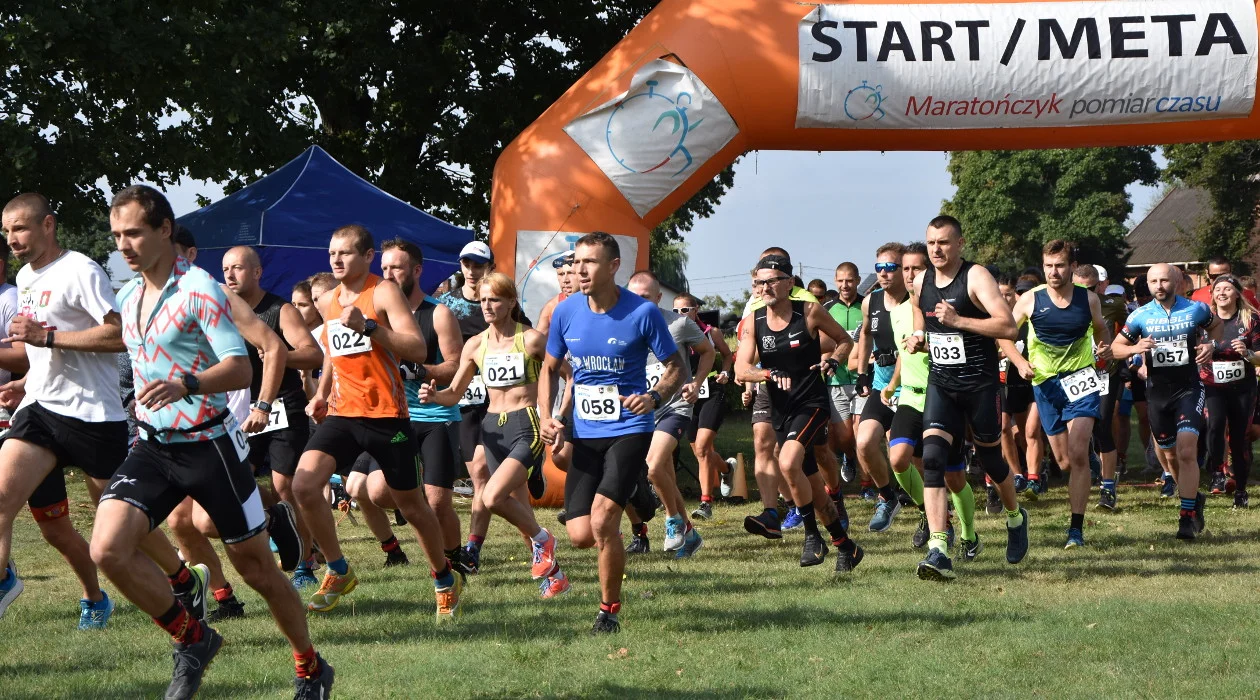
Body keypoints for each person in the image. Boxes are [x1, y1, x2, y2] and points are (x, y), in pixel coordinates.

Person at [92, 185, 333, 698]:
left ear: (164, 230)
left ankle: (311, 667)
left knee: (258, 570)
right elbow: (122, 345)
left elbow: (242, 366)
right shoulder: (128, 296)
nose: (124, 245)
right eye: (116, 236)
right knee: (108, 549)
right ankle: (193, 638)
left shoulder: (201, 289)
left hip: (210, 447)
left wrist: (186, 384)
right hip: (153, 446)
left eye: (133, 233)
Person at [292, 224, 462, 620]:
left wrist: (370, 326)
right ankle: (338, 569)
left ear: (367, 256)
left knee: (412, 506)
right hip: (343, 414)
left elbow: (416, 348)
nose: (336, 259)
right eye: (332, 253)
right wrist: (321, 394)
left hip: (387, 416)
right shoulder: (329, 300)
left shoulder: (382, 292)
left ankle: (444, 578)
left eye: (345, 253)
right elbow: (333, 353)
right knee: (304, 485)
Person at [538, 232, 684, 633]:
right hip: (585, 430)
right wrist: (547, 416)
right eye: (576, 262)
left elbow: (676, 367)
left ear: (613, 266)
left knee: (603, 522)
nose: (579, 270)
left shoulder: (642, 312)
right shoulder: (565, 311)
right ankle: (635, 491)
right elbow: (549, 369)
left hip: (630, 427)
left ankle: (609, 611)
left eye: (590, 262)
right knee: (581, 535)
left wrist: (653, 396)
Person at [0, 193, 120, 629]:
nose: (12, 239)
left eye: (20, 228)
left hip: (93, 416)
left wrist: (46, 338)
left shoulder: (82, 270)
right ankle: (9, 581)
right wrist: (27, 381)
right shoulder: (26, 276)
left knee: (123, 531)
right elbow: (38, 349)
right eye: (7, 231)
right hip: (41, 411)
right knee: (18, 509)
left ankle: (183, 578)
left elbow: (119, 335)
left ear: (48, 225)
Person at [420, 271, 569, 597]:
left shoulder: (532, 339)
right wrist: (434, 396)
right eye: (484, 300)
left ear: (511, 302)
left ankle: (543, 539)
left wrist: (554, 417)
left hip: (525, 425)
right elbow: (454, 394)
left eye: (495, 300)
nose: (487, 306)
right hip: (491, 428)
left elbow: (567, 375)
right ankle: (554, 576)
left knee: (490, 496)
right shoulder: (475, 345)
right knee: (517, 507)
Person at [905, 215, 1027, 581]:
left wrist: (960, 321)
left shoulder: (975, 277)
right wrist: (919, 335)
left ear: (959, 244)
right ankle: (939, 547)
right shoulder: (922, 280)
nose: (936, 249)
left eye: (943, 242)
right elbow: (921, 313)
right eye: (931, 243)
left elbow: (1008, 326)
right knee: (932, 459)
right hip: (942, 384)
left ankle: (1015, 517)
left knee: (991, 460)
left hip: (980, 386)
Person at [735, 253, 864, 573]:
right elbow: (741, 367)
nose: (764, 288)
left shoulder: (809, 311)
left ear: (789, 283)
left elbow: (844, 341)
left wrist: (834, 360)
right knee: (813, 487)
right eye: (759, 282)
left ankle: (812, 537)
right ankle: (846, 546)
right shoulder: (754, 321)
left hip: (812, 403)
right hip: (781, 409)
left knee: (787, 461)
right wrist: (765, 374)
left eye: (771, 281)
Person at [221, 246, 324, 571]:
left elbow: (314, 354)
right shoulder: (222, 313)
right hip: (241, 409)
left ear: (256, 272)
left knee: (284, 485)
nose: (230, 275)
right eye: (225, 270)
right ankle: (289, 527)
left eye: (237, 268)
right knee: (237, 481)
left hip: (283, 405)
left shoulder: (280, 310)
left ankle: (306, 561)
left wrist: (281, 355)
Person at [1004, 241, 1112, 549]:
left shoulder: (1088, 299)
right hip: (1046, 384)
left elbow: (1101, 328)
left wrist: (1103, 348)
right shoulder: (1030, 299)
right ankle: (1088, 461)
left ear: (1072, 267)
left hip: (1081, 379)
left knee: (1076, 453)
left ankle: (1075, 530)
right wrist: (1019, 362)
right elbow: (1004, 334)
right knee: (1064, 462)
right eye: (1048, 266)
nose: (1053, 272)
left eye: (1060, 265)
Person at [380, 238, 473, 574]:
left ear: (417, 271)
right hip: (393, 416)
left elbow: (455, 366)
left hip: (435, 415)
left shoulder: (438, 313)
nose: (388, 275)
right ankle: (410, 508)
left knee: (438, 501)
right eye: (384, 268)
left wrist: (420, 371)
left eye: (396, 268)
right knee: (369, 490)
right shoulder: (377, 316)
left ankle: (454, 560)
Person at [1112, 263, 1220, 539]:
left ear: (1177, 282)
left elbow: (1217, 327)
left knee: (1186, 450)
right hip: (1157, 393)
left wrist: (1211, 345)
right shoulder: (1140, 315)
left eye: (1164, 280)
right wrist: (1135, 347)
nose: (1158, 286)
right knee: (1169, 454)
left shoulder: (1196, 309)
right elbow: (1115, 348)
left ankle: (1186, 517)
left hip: (1188, 389)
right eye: (1153, 282)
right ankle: (1194, 499)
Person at [623, 272, 712, 557]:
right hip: (642, 411)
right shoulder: (620, 326)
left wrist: (696, 383)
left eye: (646, 297)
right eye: (633, 296)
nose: (638, 302)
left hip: (675, 406)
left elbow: (708, 352)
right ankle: (690, 534)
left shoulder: (679, 323)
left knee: (652, 467)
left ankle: (673, 521)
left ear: (659, 298)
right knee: (665, 476)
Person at [436, 241, 498, 571]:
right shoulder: (446, 305)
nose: (472, 271)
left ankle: (472, 547)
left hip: (496, 399)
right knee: (473, 474)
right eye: (467, 263)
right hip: (458, 399)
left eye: (479, 264)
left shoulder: (501, 301)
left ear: (490, 267)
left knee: (481, 473)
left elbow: (523, 340)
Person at [884, 243, 938, 549]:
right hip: (909, 396)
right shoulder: (897, 313)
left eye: (916, 268)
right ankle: (929, 515)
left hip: (941, 396)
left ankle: (967, 533)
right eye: (905, 268)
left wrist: (927, 345)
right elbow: (904, 355)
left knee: (941, 469)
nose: (909, 274)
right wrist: (893, 383)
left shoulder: (943, 306)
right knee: (899, 459)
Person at [852, 243, 910, 532]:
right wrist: (863, 372)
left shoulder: (915, 300)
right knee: (864, 443)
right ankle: (887, 497)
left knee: (908, 457)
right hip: (882, 387)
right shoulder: (870, 301)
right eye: (879, 268)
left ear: (904, 269)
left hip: (912, 387)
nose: (884, 273)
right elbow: (865, 334)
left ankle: (933, 512)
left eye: (890, 267)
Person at [1199, 275, 1259, 508]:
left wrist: (1248, 353)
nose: (1222, 293)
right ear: (1212, 295)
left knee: (1239, 437)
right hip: (1211, 384)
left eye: (1227, 289)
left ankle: (1241, 490)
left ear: (1237, 293)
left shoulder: (1251, 319)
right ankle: (1217, 472)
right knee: (1214, 425)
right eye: (1217, 289)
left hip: (1242, 387)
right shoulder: (1204, 319)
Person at [675, 294, 736, 517]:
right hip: (687, 395)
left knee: (702, 447)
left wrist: (725, 373)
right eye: (676, 311)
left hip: (711, 391)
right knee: (701, 452)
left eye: (685, 310)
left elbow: (728, 355)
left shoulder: (711, 332)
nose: (680, 315)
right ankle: (727, 469)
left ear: (696, 310)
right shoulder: (672, 334)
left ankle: (706, 504)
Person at [1072, 263, 1125, 510]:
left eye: (1091, 288)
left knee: (1103, 425)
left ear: (1100, 286)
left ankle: (1108, 487)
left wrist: (1119, 349)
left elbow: (1130, 330)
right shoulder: (1063, 305)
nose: (1086, 293)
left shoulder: (1113, 304)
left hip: (1105, 373)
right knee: (1078, 429)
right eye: (1079, 288)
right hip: (1075, 374)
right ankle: (1093, 463)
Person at [997, 276, 1044, 505]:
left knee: (1030, 431)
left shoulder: (1027, 318)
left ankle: (1034, 474)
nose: (1005, 298)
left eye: (1009, 294)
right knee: (1004, 427)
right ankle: (1017, 475)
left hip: (1030, 381)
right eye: (1000, 294)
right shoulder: (993, 319)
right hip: (1004, 383)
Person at [824, 262, 863, 487]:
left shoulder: (867, 305)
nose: (845, 285)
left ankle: (868, 485)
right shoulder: (827, 309)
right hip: (836, 380)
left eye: (849, 280)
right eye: (840, 280)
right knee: (844, 436)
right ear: (835, 281)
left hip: (862, 379)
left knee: (860, 432)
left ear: (858, 280)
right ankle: (849, 456)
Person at [1190, 257, 1260, 308]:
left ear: (1231, 273)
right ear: (1207, 274)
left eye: (1224, 276)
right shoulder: (1197, 296)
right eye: (1214, 276)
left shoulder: (1246, 295)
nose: (1220, 280)